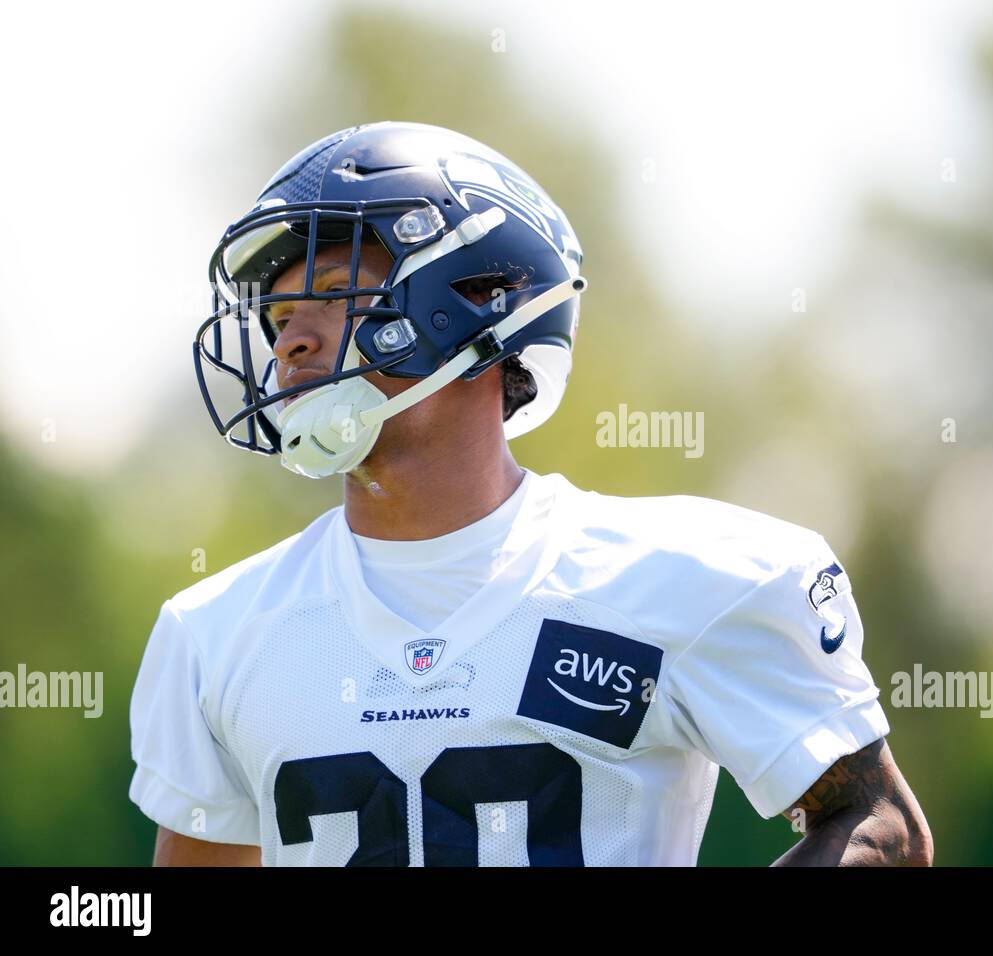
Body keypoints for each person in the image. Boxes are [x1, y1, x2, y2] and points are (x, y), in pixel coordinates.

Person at [130, 121, 932, 867]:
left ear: (471, 299)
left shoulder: (686, 580)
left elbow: (878, 825)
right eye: (277, 319)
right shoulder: (215, 636)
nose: (290, 343)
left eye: (333, 293)